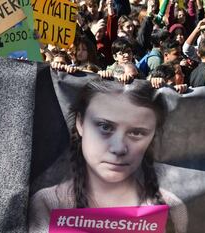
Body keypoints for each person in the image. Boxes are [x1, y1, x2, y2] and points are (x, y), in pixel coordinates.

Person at [28, 79, 187, 233]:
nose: (118, 148)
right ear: (80, 123)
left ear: (152, 136)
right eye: (105, 127)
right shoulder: (48, 202)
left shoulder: (171, 207)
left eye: (137, 133)